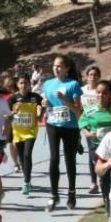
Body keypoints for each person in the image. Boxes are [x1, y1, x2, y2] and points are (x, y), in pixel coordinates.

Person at [41, 54, 84, 211]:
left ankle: (71, 193)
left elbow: (78, 109)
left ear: (66, 68)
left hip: (70, 126)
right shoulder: (47, 84)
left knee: (69, 159)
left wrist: (65, 100)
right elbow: (44, 103)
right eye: (54, 65)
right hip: (52, 124)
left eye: (59, 66)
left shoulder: (73, 85)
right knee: (53, 158)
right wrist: (43, 103)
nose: (56, 68)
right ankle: (54, 195)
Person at [80, 80, 111, 196]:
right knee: (103, 174)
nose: (101, 95)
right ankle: (106, 198)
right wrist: (88, 133)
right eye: (98, 92)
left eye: (104, 93)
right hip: (96, 145)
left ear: (110, 95)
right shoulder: (91, 108)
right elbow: (82, 122)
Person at [9, 75, 42, 196]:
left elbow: (42, 107)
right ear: (18, 85)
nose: (24, 85)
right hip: (17, 132)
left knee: (27, 155)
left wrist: (40, 112)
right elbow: (7, 116)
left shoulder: (35, 97)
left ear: (29, 85)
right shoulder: (13, 99)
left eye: (26, 83)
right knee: (22, 158)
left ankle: (26, 182)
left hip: (31, 131)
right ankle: (26, 176)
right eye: (21, 83)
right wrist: (13, 112)